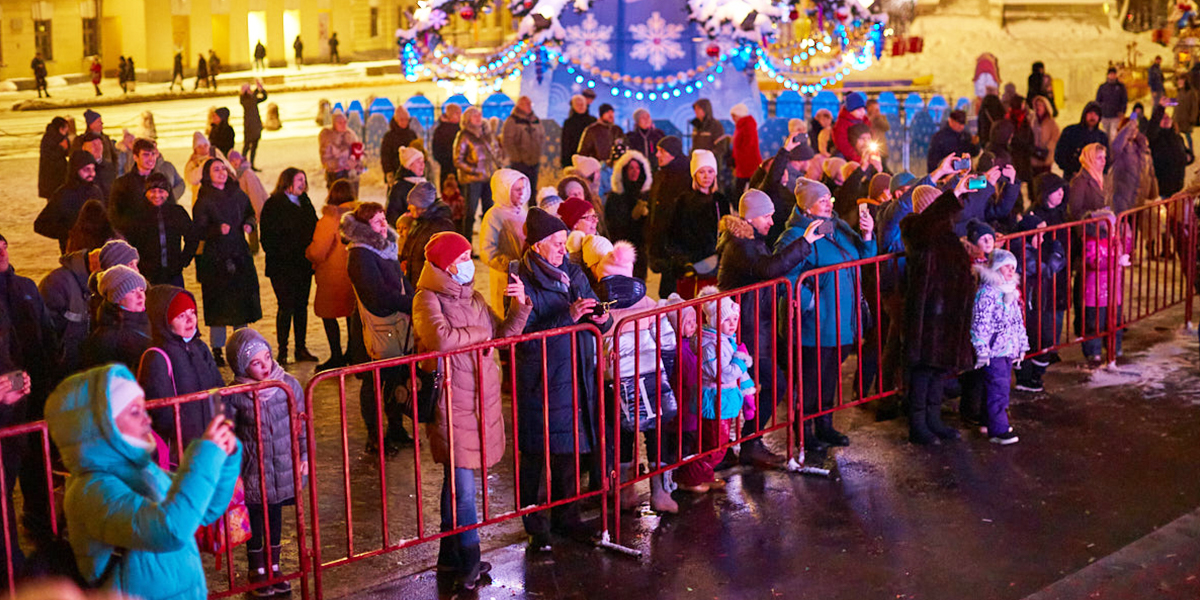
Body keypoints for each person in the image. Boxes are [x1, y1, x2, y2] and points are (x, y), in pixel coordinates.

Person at [44, 364, 241, 600]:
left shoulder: (144, 471)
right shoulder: (92, 491)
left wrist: (224, 460)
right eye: (135, 411)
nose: (148, 419)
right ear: (100, 428)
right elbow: (170, 529)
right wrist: (205, 456)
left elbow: (204, 509)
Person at [412, 231, 530, 590]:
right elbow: (441, 339)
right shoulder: (426, 298)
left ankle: (449, 558)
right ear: (446, 265)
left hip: (480, 400)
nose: (468, 264)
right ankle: (470, 560)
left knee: (456, 483)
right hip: (451, 403)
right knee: (463, 489)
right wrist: (481, 338)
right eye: (462, 259)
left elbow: (504, 334)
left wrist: (521, 305)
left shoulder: (475, 298)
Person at [515, 208, 610, 551]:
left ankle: (567, 517)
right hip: (544, 375)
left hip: (578, 371)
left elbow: (603, 316)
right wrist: (568, 316)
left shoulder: (572, 271)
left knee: (569, 449)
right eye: (556, 244)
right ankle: (536, 526)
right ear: (538, 246)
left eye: (563, 243)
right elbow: (523, 335)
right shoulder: (521, 279)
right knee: (540, 451)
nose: (562, 249)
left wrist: (601, 315)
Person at [718, 189, 821, 463]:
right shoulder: (740, 245)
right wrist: (804, 242)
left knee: (752, 386)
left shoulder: (752, 240)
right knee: (772, 383)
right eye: (767, 215)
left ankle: (739, 445)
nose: (772, 222)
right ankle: (745, 444)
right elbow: (767, 269)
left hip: (753, 329)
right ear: (751, 218)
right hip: (743, 331)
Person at [779, 179, 875, 450]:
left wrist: (867, 236)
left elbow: (861, 257)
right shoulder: (795, 234)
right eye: (822, 199)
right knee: (810, 380)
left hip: (840, 320)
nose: (828, 203)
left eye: (829, 198)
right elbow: (786, 273)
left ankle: (825, 426)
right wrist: (810, 302)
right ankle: (804, 432)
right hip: (816, 324)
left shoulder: (836, 226)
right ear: (807, 206)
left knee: (829, 376)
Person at [224, 327, 307, 597]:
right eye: (256, 363)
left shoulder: (287, 385)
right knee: (255, 517)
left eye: (267, 359)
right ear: (242, 366)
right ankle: (256, 568)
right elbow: (228, 434)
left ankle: (274, 566)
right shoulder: (234, 394)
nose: (264, 367)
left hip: (280, 466)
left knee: (275, 514)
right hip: (251, 469)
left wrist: (304, 455)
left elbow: (302, 425)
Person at [900, 179, 977, 445]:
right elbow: (924, 229)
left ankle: (933, 419)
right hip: (928, 314)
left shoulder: (946, 235)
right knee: (923, 371)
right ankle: (918, 424)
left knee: (938, 370)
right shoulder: (914, 228)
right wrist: (951, 195)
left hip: (946, 313)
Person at [341, 202, 416, 453]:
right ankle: (375, 436)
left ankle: (395, 427)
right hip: (374, 326)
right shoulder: (360, 254)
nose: (384, 225)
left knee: (396, 379)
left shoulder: (386, 247)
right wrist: (409, 303)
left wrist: (414, 298)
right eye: (377, 222)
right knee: (374, 383)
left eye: (384, 218)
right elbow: (376, 295)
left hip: (396, 324)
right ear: (365, 228)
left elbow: (401, 282)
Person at [193, 158, 262, 366]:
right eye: (216, 169)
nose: (222, 172)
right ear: (208, 174)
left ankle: (243, 343)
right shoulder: (204, 199)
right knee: (219, 307)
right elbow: (198, 229)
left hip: (239, 255)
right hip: (216, 260)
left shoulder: (237, 194)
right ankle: (217, 349)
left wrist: (249, 225)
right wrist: (215, 230)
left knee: (241, 304)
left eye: (224, 168)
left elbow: (250, 213)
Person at [969, 249, 1029, 445]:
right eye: (1007, 266)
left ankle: (989, 422)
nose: (1011, 270)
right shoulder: (987, 294)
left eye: (1013, 267)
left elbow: (1017, 322)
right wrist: (982, 350)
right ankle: (999, 429)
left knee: (997, 386)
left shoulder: (1009, 291)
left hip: (1007, 348)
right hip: (994, 350)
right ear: (996, 267)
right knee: (999, 388)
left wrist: (1021, 345)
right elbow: (980, 324)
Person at [260, 168, 319, 365]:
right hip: (283, 267)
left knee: (301, 307)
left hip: (302, 265)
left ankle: (300, 348)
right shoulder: (273, 204)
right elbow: (267, 237)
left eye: (304, 179)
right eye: (299, 179)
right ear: (287, 182)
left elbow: (314, 227)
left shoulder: (305, 201)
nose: (303, 183)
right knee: (286, 307)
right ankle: (283, 349)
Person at [663, 150, 732, 297]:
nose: (707, 176)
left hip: (715, 265)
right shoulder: (683, 201)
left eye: (710, 171)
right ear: (694, 174)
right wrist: (683, 261)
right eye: (701, 172)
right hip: (691, 267)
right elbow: (673, 235)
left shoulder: (721, 200)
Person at [306, 179, 357, 371]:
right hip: (352, 272)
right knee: (351, 314)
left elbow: (318, 251)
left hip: (331, 276)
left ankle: (336, 355)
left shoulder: (329, 220)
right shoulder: (357, 215)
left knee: (328, 314)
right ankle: (353, 351)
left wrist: (308, 253)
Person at [1012, 212, 1065, 393]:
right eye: (1039, 234)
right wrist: (1058, 252)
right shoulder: (1022, 252)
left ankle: (1034, 375)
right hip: (1027, 307)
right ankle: (1026, 377)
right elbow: (1046, 269)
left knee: (1040, 339)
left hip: (1034, 305)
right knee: (1032, 341)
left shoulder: (1030, 249)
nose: (1043, 239)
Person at [125, 173, 198, 287]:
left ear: (167, 193)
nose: (157, 195)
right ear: (146, 192)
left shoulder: (177, 212)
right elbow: (130, 243)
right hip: (148, 276)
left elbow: (192, 237)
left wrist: (183, 261)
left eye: (161, 191)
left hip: (173, 274)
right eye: (152, 191)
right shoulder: (138, 215)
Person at [1080, 210, 1130, 365]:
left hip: (1114, 289)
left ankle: (1115, 348)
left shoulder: (1115, 240)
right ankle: (1093, 352)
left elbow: (1125, 250)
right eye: (1112, 225)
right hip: (1095, 290)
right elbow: (1093, 262)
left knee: (1115, 320)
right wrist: (1116, 260)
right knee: (1095, 322)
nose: (1115, 228)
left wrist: (1127, 237)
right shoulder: (1091, 241)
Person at [478, 169, 530, 312]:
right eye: (517, 189)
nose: (522, 192)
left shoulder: (523, 213)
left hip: (523, 273)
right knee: (505, 312)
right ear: (504, 191)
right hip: (504, 276)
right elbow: (487, 251)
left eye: (523, 188)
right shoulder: (494, 215)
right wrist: (508, 265)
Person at [83, 265, 151, 370]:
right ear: (116, 298)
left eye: (141, 290)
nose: (140, 296)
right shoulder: (106, 339)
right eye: (132, 291)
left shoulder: (152, 320)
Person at [35, 151, 104, 253]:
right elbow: (40, 225)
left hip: (96, 251)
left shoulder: (95, 191)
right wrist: (68, 233)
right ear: (75, 170)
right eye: (86, 170)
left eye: (93, 169)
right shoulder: (63, 194)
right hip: (73, 253)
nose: (91, 173)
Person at [647, 136, 691, 296]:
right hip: (662, 245)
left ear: (673, 153)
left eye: (662, 151)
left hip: (677, 248)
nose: (657, 155)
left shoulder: (685, 178)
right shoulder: (660, 175)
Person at [454, 107, 504, 239]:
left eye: (479, 115)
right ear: (468, 119)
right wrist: (475, 171)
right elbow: (457, 160)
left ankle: (488, 240)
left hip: (489, 178)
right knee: (470, 213)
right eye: (474, 115)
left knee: (489, 211)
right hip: (472, 180)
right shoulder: (464, 135)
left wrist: (497, 166)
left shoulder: (487, 134)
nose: (478, 117)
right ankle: (467, 242)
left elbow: (496, 152)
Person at [605, 151, 653, 279]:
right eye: (631, 167)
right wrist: (632, 217)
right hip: (621, 251)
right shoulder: (615, 196)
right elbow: (612, 224)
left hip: (641, 251)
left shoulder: (646, 195)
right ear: (624, 170)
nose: (635, 171)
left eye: (637, 168)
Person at [399, 181, 456, 286]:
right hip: (416, 282)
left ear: (420, 205)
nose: (408, 208)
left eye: (411, 204)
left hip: (428, 285)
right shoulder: (419, 221)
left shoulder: (440, 225)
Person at [108, 138, 162, 234]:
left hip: (158, 238)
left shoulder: (162, 182)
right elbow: (115, 216)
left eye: (153, 154)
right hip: (133, 238)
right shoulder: (123, 184)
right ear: (135, 157)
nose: (151, 158)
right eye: (146, 155)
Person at [1147, 99, 1189, 199]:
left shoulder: (1177, 137)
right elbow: (1152, 127)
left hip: (1178, 186)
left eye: (1167, 117)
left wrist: (1189, 156)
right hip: (1164, 188)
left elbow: (1185, 151)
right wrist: (1161, 108)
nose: (1166, 119)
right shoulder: (1155, 138)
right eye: (1163, 118)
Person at [502, 96, 546, 191]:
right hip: (519, 162)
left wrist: (538, 153)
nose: (529, 106)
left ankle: (532, 205)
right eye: (526, 104)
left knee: (532, 189)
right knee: (519, 189)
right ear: (520, 105)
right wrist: (517, 158)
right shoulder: (512, 121)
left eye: (530, 104)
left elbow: (542, 137)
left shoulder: (536, 120)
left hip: (534, 160)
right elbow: (508, 141)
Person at [1055, 102, 1107, 181]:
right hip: (1072, 176)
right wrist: (1071, 169)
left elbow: (1107, 158)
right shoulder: (1071, 132)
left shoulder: (1102, 137)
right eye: (1090, 113)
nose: (1093, 116)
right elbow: (1060, 153)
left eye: (1096, 114)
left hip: (1093, 179)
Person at [319, 110, 364, 192]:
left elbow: (358, 155)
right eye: (340, 123)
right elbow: (325, 160)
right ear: (334, 124)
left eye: (345, 122)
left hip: (351, 175)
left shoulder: (351, 135)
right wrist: (343, 162)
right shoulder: (328, 137)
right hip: (335, 175)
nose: (343, 125)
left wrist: (357, 164)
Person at [386, 146, 426, 227]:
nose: (422, 165)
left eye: (423, 161)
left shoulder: (424, 184)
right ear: (409, 165)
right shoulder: (400, 187)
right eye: (418, 162)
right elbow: (392, 215)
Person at [1067, 143, 1107, 221]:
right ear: (1089, 159)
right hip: (1089, 228)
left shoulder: (1103, 178)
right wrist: (1094, 216)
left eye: (1104, 157)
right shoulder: (1079, 181)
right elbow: (1074, 211)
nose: (1103, 161)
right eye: (1099, 158)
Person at [577, 103, 623, 171]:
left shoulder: (617, 130)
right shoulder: (592, 130)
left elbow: (624, 146)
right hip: (598, 168)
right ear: (602, 114)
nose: (611, 115)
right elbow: (584, 151)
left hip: (616, 168)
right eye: (607, 112)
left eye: (612, 112)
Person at [381, 106, 419, 185]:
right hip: (396, 172)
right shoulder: (389, 137)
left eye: (406, 120)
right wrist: (388, 172)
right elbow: (385, 156)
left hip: (411, 173)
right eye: (401, 120)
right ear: (396, 120)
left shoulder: (412, 134)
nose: (404, 122)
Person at [730, 103, 762, 194]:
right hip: (743, 163)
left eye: (734, 116)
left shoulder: (747, 125)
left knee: (742, 188)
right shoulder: (742, 126)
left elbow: (748, 145)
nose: (733, 119)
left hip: (747, 164)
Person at [38, 117, 70, 201]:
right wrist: (61, 147)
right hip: (51, 176)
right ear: (61, 128)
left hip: (57, 175)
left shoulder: (60, 137)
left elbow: (67, 152)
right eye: (66, 127)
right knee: (54, 199)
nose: (68, 130)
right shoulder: (50, 138)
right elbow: (50, 155)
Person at [832, 92, 870, 162]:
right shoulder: (842, 124)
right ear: (850, 111)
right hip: (848, 156)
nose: (862, 112)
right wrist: (857, 158)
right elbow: (843, 144)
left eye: (863, 109)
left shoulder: (865, 120)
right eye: (858, 110)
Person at [561, 95, 596, 169]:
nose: (580, 106)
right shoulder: (568, 123)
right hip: (573, 160)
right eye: (577, 104)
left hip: (590, 160)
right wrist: (566, 163)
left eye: (582, 104)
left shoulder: (593, 122)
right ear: (573, 106)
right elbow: (565, 144)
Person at [1030, 96, 1060, 181]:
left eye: (1041, 105)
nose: (1038, 107)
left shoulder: (1051, 122)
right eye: (1037, 105)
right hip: (1034, 157)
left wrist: (1048, 147)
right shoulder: (1033, 121)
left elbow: (1055, 137)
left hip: (1046, 158)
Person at [240, 82, 268, 171]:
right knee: (247, 146)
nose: (250, 90)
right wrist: (257, 90)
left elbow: (264, 98)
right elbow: (251, 100)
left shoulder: (252, 98)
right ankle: (243, 164)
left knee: (254, 146)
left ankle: (252, 164)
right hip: (249, 126)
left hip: (256, 125)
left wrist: (261, 89)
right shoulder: (244, 100)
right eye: (248, 89)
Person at [432, 104, 462, 187]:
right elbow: (437, 152)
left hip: (461, 170)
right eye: (458, 113)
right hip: (447, 169)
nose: (460, 115)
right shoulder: (441, 131)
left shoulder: (461, 128)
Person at [1095, 67, 1128, 142]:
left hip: (1116, 116)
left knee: (1113, 136)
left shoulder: (1120, 87)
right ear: (1107, 75)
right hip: (1105, 116)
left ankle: (1113, 152)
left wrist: (1122, 111)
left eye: (1113, 74)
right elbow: (1098, 101)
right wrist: (1098, 112)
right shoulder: (1102, 87)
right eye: (1110, 74)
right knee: (1105, 136)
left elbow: (1124, 100)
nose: (1112, 76)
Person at [1176, 78, 1200, 154]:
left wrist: (1193, 118)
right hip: (1178, 118)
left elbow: (1194, 106)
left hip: (1186, 119)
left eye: (1181, 81)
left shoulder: (1191, 92)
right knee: (1177, 137)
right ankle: (1179, 151)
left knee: (1188, 135)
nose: (1179, 82)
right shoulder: (1179, 92)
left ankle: (1191, 151)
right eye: (1178, 81)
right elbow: (1176, 106)